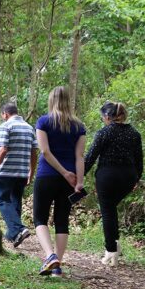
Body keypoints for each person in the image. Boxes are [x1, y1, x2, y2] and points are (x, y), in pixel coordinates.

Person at [33, 86, 87, 277]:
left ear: (51, 100)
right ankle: (57, 267)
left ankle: (50, 256)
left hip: (46, 175)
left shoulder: (43, 121)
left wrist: (63, 172)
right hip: (69, 179)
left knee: (39, 218)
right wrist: (78, 181)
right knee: (61, 219)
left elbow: (45, 152)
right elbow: (80, 155)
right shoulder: (79, 126)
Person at [84, 102, 143, 266]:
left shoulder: (104, 132)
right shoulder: (134, 134)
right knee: (111, 209)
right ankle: (115, 245)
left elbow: (90, 158)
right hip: (128, 178)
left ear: (108, 117)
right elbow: (139, 161)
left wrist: (78, 176)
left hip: (108, 177)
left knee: (108, 212)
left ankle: (111, 252)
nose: (103, 120)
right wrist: (136, 179)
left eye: (103, 117)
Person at [0, 103, 38, 247]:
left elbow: (2, 150)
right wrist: (31, 172)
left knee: (2, 199)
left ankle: (19, 228)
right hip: (22, 172)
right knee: (15, 201)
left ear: (5, 114)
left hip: (6, 171)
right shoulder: (29, 128)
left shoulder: (6, 126)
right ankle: (13, 234)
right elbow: (33, 153)